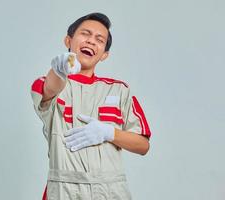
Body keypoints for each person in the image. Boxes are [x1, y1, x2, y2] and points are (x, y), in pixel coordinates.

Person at [31, 12, 151, 200]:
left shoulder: (119, 90)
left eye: (99, 39)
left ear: (104, 54)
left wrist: (109, 133)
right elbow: (50, 88)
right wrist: (59, 69)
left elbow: (143, 146)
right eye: (85, 34)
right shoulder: (47, 83)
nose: (91, 41)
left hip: (111, 191)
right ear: (68, 40)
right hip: (64, 190)